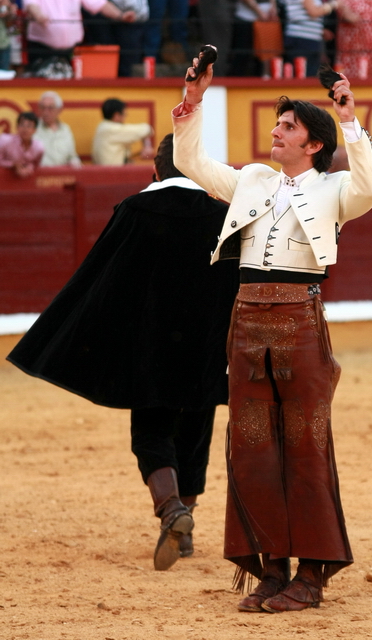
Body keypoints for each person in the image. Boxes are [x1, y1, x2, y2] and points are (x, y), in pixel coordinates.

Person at [172, 53, 372, 611]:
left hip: (299, 324)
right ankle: (272, 567)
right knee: (252, 447)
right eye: (277, 125)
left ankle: (311, 575)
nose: (275, 132)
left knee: (306, 446)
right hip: (245, 324)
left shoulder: (336, 188)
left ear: (313, 143)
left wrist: (349, 120)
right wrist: (192, 101)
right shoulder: (251, 180)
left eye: (287, 127)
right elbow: (189, 161)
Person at [7, 133, 239, 571]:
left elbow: (101, 281)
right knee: (195, 433)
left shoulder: (134, 210)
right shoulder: (223, 215)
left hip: (149, 347)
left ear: (154, 172)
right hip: (207, 348)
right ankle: (182, 527)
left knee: (151, 431)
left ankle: (171, 510)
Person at [22, 0, 136, 71]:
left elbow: (99, 4)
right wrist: (38, 16)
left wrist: (121, 16)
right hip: (42, 49)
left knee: (72, 86)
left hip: (72, 50)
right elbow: (31, 5)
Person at [282, 0, 340, 77]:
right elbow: (313, 12)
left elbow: (300, 16)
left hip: (303, 38)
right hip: (303, 39)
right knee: (305, 76)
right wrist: (334, 4)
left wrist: (319, 30)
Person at [92, 97, 154, 165]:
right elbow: (147, 129)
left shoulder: (102, 126)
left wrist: (146, 145)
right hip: (113, 173)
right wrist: (147, 146)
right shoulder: (112, 129)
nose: (125, 118)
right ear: (117, 115)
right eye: (125, 114)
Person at [34, 91, 82, 167]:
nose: (46, 112)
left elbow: (72, 156)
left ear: (59, 110)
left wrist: (75, 162)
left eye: (50, 108)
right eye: (43, 108)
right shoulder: (33, 128)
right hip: (39, 175)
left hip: (62, 175)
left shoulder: (65, 129)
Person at [0, 111, 44, 177]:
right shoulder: (4, 141)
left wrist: (29, 168)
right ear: (17, 127)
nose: (25, 129)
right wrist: (12, 164)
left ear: (35, 130)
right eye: (22, 125)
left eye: (29, 126)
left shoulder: (39, 148)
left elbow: (35, 164)